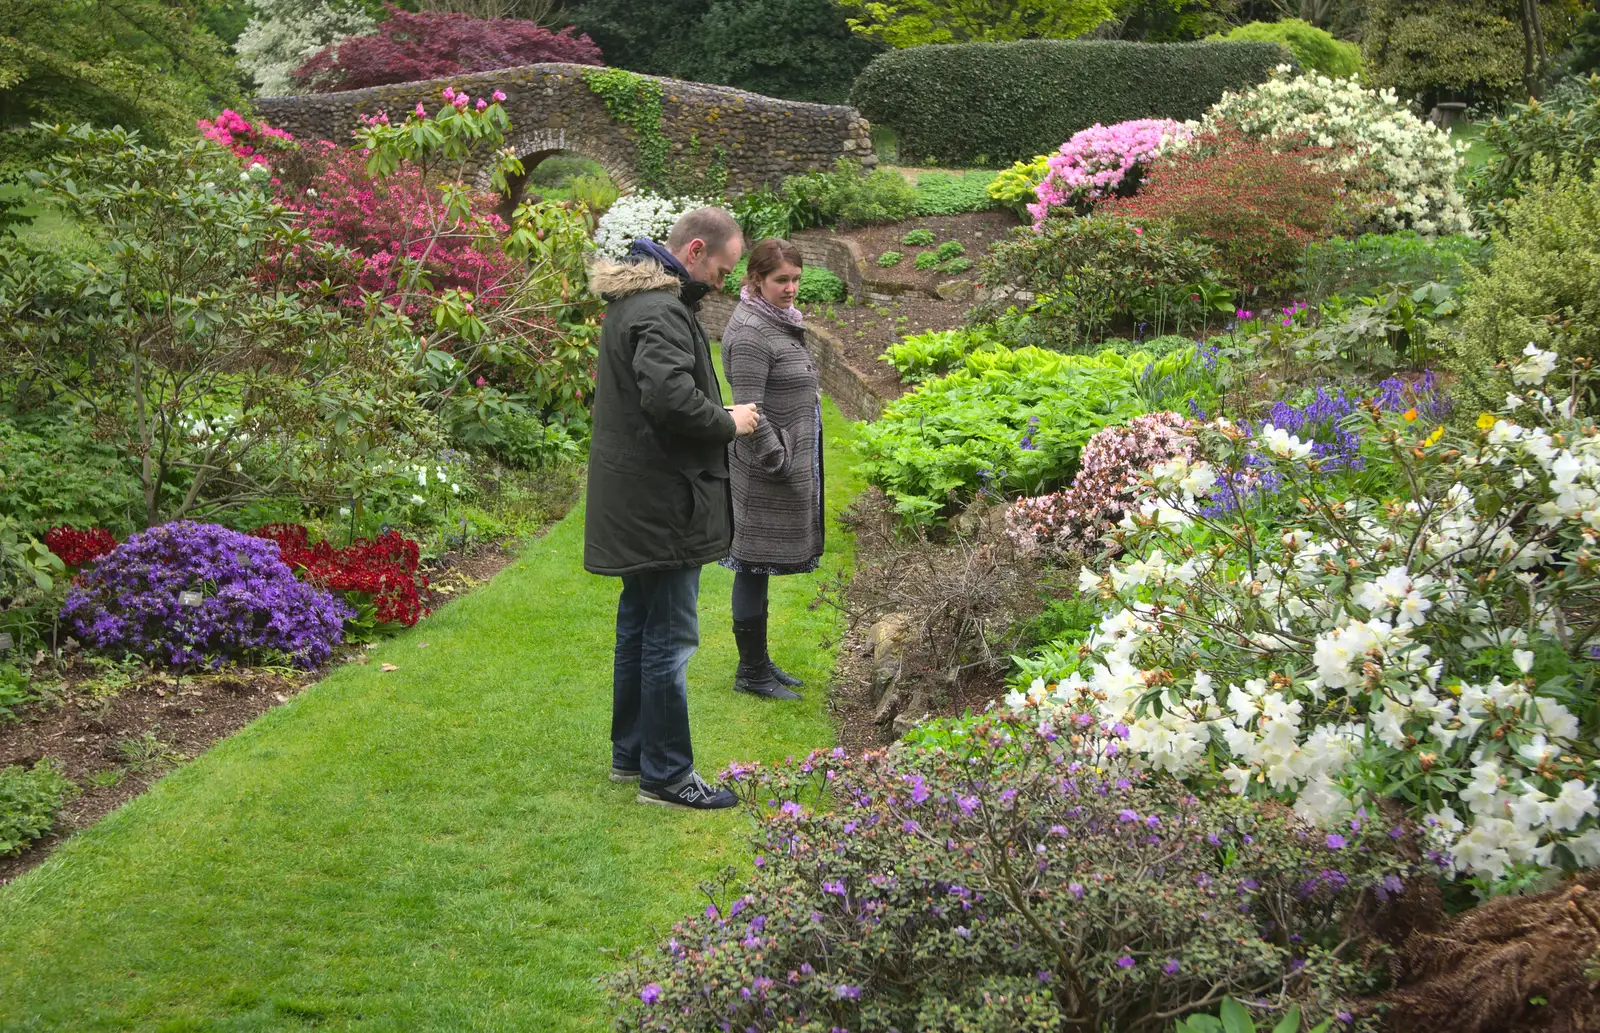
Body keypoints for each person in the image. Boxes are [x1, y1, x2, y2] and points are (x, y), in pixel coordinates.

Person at [584, 207, 756, 812]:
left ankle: (631, 755)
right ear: (696, 250)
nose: (722, 283)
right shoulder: (659, 309)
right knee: (669, 636)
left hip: (641, 499)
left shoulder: (637, 302)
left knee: (638, 624)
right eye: (721, 270)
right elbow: (670, 399)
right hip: (663, 501)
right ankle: (667, 776)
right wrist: (728, 422)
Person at [721, 238, 824, 702]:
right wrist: (777, 458)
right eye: (781, 280)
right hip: (764, 473)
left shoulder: (774, 321)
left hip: (777, 469)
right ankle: (751, 672)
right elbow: (747, 410)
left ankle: (759, 662)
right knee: (751, 566)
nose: (791, 289)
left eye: (796, 279)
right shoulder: (750, 333)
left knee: (758, 570)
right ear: (756, 279)